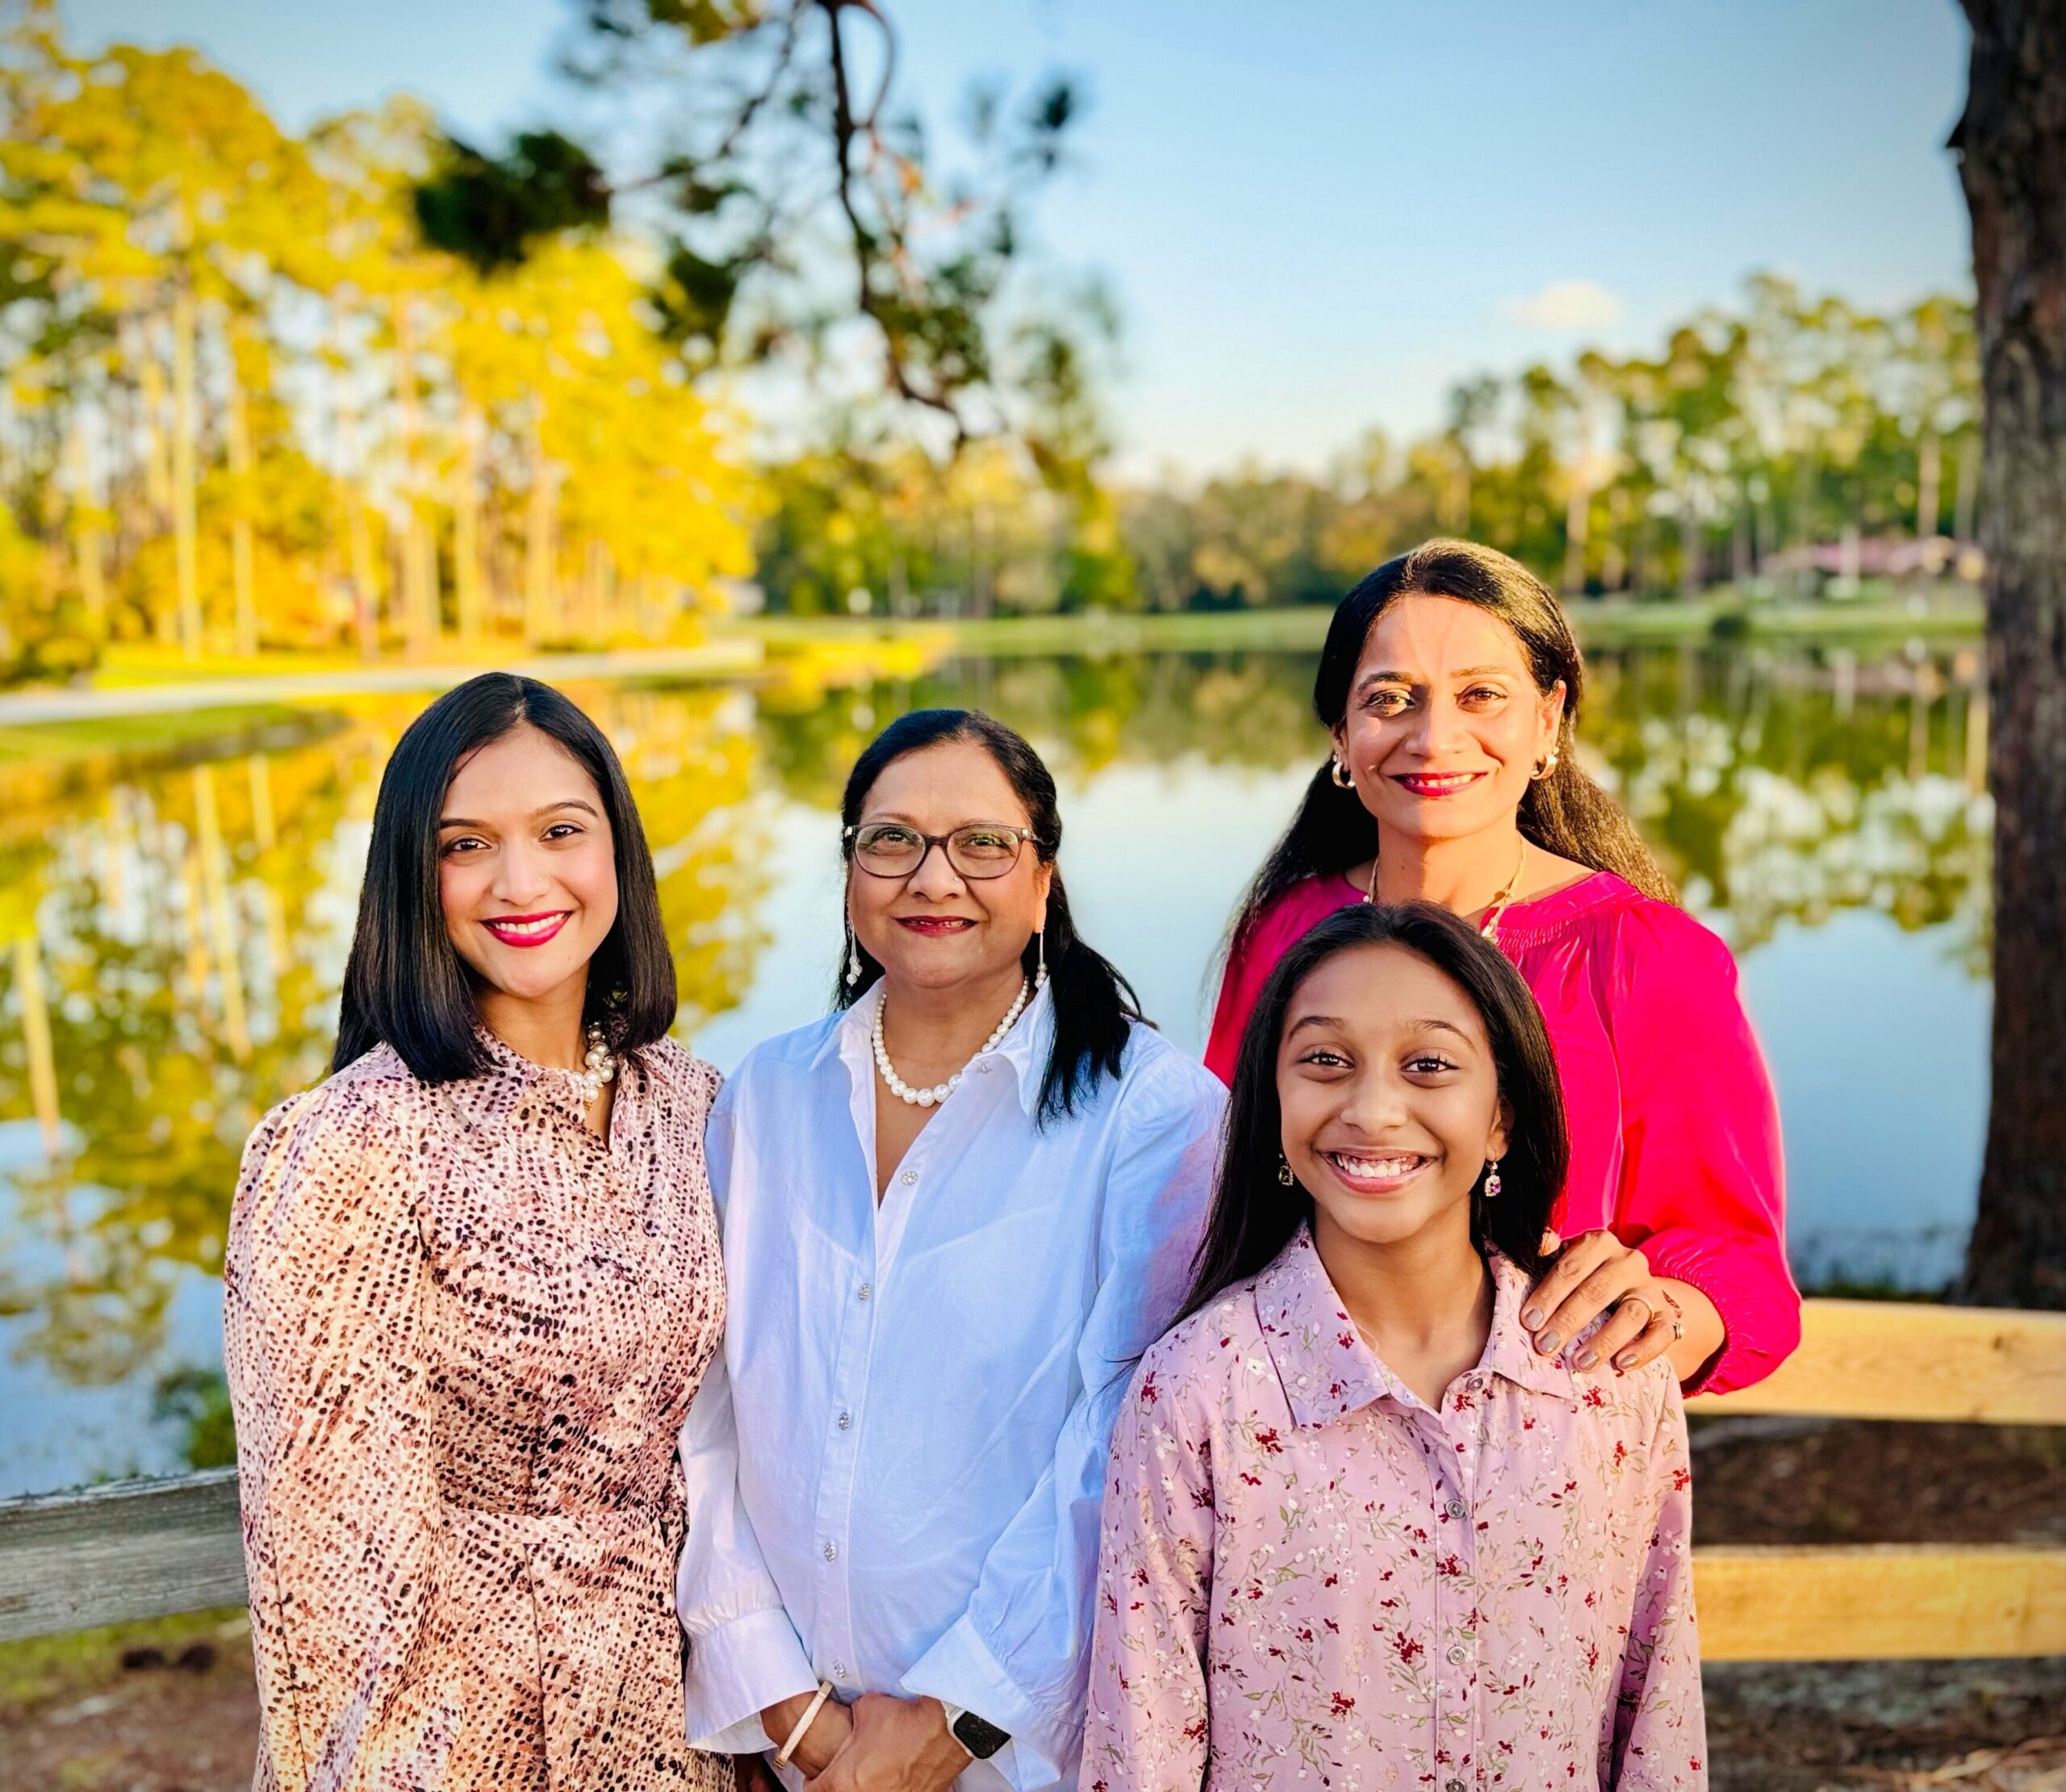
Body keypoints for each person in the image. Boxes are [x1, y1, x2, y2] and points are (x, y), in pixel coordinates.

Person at [677, 709, 1225, 1792]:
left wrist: (951, 1722)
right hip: (791, 1751)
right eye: (892, 841)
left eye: (982, 844)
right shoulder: (763, 1098)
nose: (933, 878)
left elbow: (1119, 1449)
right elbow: (711, 1416)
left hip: (1025, 1756)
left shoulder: (1154, 1116)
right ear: (849, 872)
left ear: (1043, 879)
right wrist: (791, 1715)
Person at [224, 674, 734, 1792]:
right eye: (466, 845)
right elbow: (335, 1586)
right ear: (416, 875)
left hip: (686, 1723)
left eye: (562, 830)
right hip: (463, 1743)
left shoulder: (697, 1104)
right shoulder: (351, 1144)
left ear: (617, 852)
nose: (522, 880)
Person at [1085, 901, 1706, 1791]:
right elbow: (1142, 1748)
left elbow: (1659, 1719)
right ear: (1274, 1102)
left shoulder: (1611, 1381)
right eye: (1325, 1060)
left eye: (1429, 1065)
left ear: (1501, 1119)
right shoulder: (1196, 1391)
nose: (1373, 1109)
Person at [1205, 539, 1796, 1397]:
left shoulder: (1642, 957)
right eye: (1390, 699)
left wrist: (1661, 1308)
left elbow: (1744, 1275)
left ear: (1546, 719)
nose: (1434, 736)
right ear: (1341, 732)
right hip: (1291, 1435)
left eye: (1481, 694)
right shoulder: (1281, 930)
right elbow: (1218, 1189)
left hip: (1535, 1448)